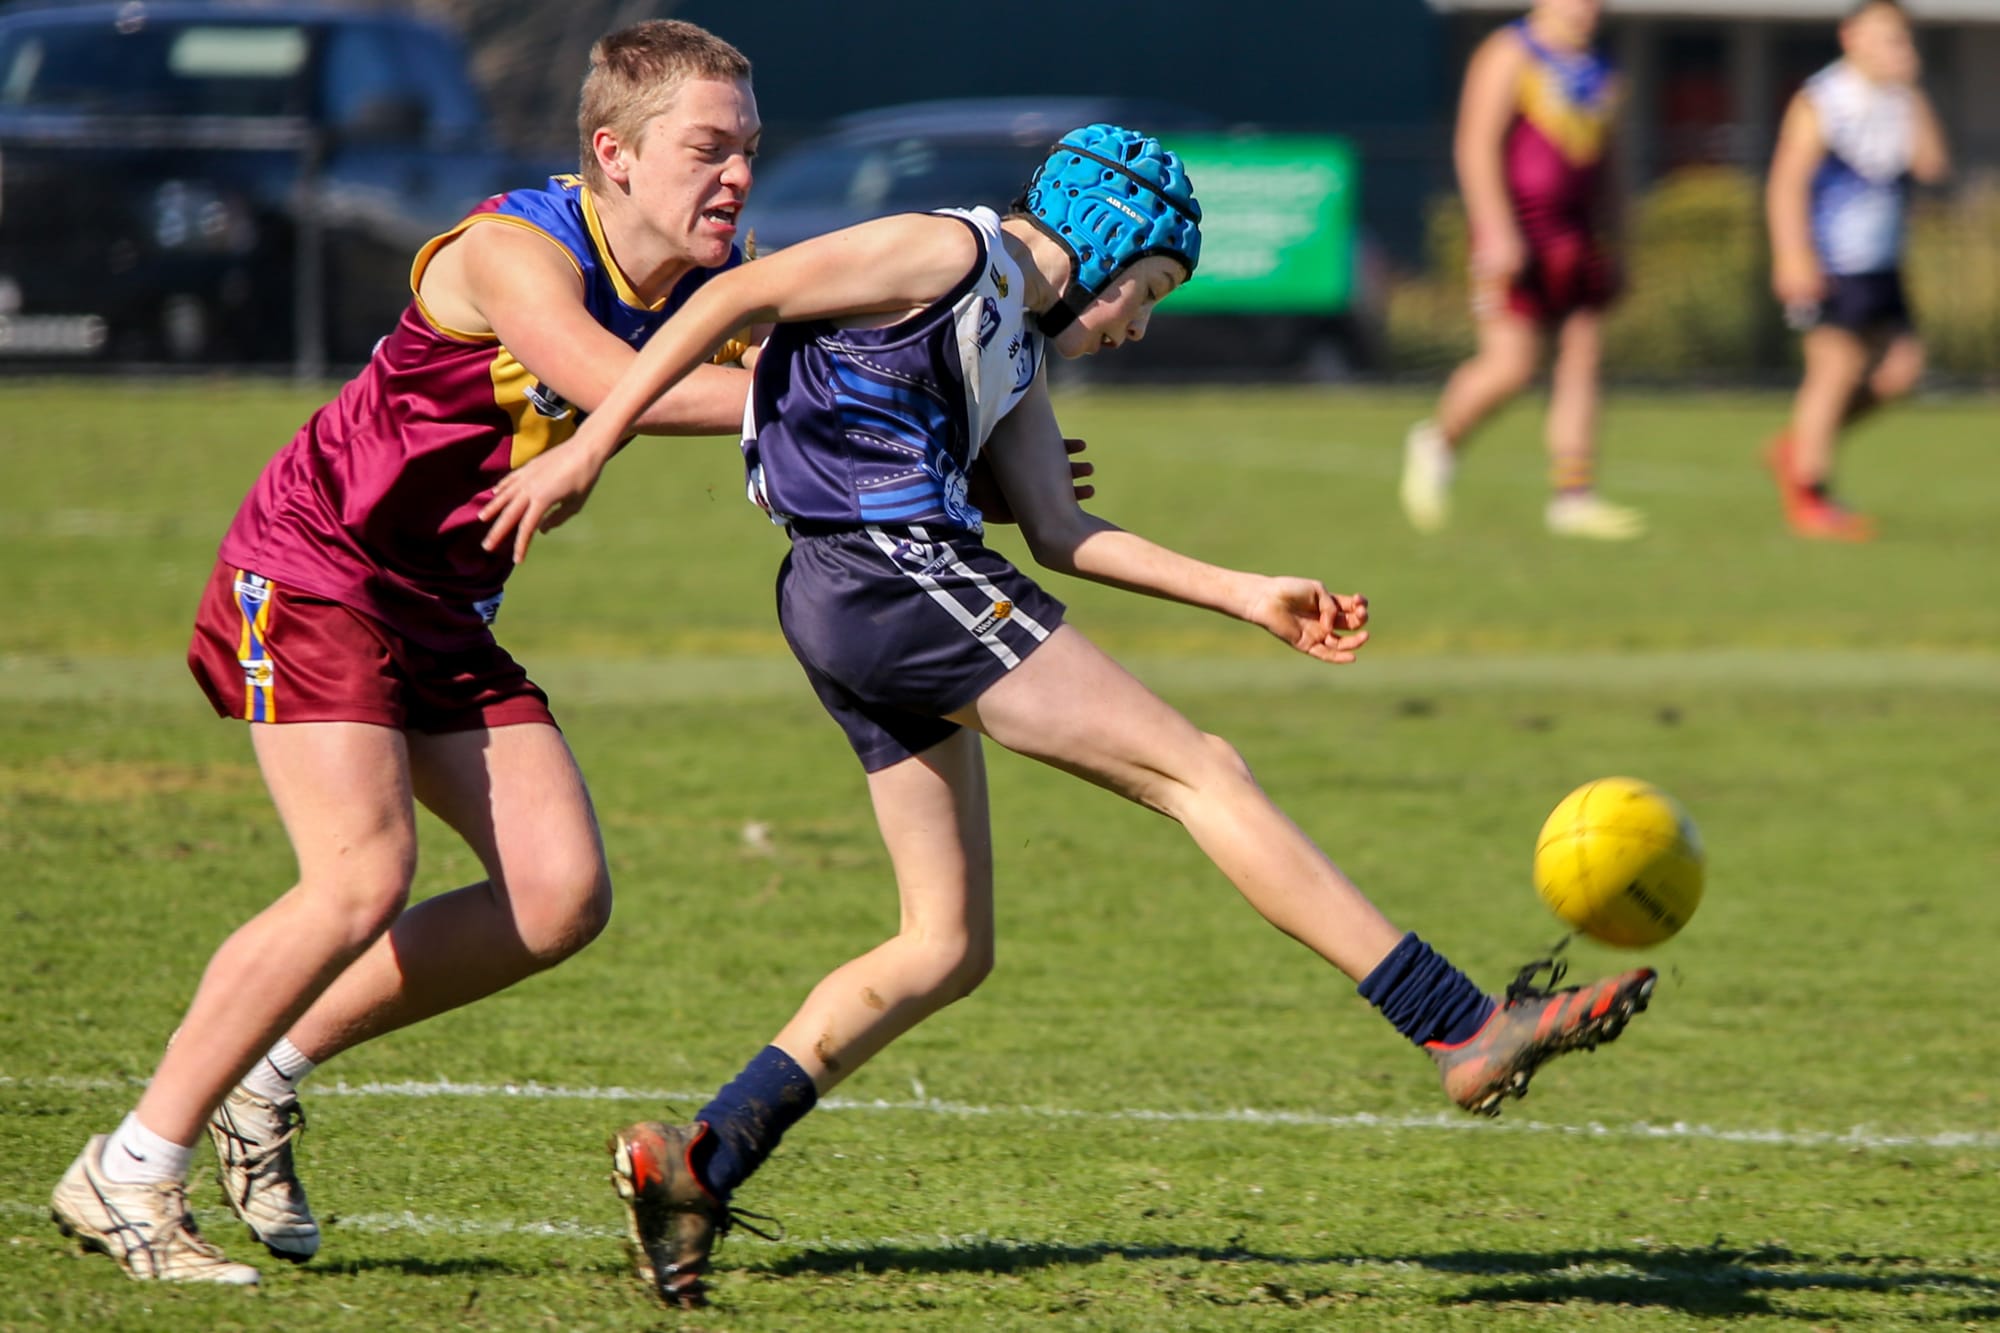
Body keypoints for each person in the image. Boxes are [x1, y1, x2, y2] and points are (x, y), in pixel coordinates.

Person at [482, 123, 1661, 1311]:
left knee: (944, 944)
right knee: (1200, 769)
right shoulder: (942, 252)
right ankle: (1456, 1026)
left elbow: (1059, 530)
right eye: (1144, 290)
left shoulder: (1012, 347)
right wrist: (593, 444)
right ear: (1103, 245)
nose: (1140, 323)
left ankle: (702, 1157)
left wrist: (1247, 593)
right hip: (891, 574)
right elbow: (741, 291)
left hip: (849, 595)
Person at [48, 20, 767, 1285]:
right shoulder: (513, 249)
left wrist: (971, 455)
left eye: (747, 150)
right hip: (313, 569)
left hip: (439, 607)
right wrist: (814, 396)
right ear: (613, 152)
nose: (737, 178)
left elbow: (831, 389)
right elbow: (607, 380)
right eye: (708, 149)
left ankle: (261, 1081)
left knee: (556, 897)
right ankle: (130, 1164)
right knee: (358, 876)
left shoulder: (718, 282)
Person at [1401, 0, 1645, 540]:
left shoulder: (1602, 68)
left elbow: (1614, 161)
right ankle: (1437, 441)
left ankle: (1573, 496)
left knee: (1583, 355)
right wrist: (1496, 230)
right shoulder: (1510, 53)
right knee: (1512, 366)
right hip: (1519, 231)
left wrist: (1622, 242)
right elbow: (1476, 144)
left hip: (1579, 234)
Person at [1764, 0, 1949, 542]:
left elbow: (1933, 165)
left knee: (1900, 373)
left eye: (1902, 40)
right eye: (1886, 38)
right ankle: (1810, 496)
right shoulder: (1823, 99)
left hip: (1882, 265)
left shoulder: (1899, 99)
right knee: (1835, 369)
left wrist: (1913, 91)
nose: (1897, 49)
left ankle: (1798, 448)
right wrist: (1792, 254)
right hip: (1830, 262)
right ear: (1851, 37)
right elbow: (1786, 182)